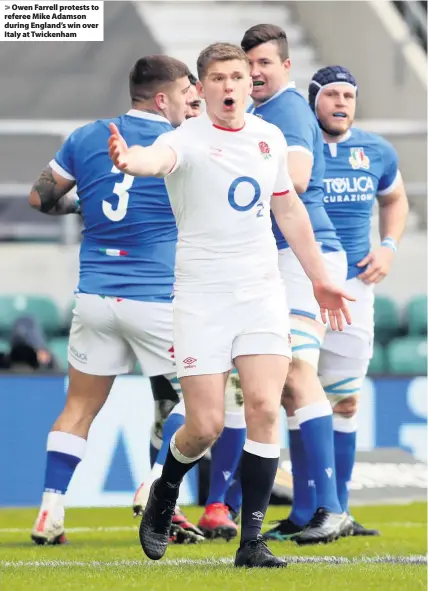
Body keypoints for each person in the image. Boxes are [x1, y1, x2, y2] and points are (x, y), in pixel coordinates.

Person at [109, 42, 353, 568]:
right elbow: (158, 160)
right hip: (201, 298)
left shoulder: (269, 138)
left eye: (236, 77)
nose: (227, 86)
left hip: (262, 293)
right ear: (200, 88)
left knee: (266, 408)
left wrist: (320, 281)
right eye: (216, 78)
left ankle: (252, 542)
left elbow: (289, 214)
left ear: (249, 85)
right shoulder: (185, 139)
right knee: (206, 426)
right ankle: (165, 488)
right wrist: (132, 161)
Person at [28, 55, 205, 545]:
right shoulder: (182, 142)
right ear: (162, 97)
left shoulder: (89, 136)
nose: (192, 102)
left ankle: (49, 509)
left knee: (79, 407)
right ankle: (152, 486)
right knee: (200, 402)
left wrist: (84, 198)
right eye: (185, 93)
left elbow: (40, 198)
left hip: (96, 296)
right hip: (158, 298)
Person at [241, 24, 351, 544]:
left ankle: (332, 506)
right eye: (249, 65)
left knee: (299, 373)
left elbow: (299, 179)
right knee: (284, 385)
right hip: (282, 256)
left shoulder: (286, 110)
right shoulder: (262, 114)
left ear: (286, 67)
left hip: (303, 256)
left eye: (264, 62)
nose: (256, 73)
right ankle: (307, 508)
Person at [134, 74, 245, 542]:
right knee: (214, 402)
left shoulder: (231, 142)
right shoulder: (180, 147)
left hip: (171, 292)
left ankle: (188, 501)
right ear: (170, 103)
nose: (199, 109)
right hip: (186, 294)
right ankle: (172, 489)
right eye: (192, 101)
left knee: (173, 402)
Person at [310, 65, 409, 534]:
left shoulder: (375, 150)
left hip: (354, 288)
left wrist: (388, 247)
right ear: (314, 100)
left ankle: (340, 511)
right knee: (294, 397)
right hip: (300, 283)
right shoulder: (296, 146)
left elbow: (395, 199)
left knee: (345, 402)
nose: (341, 102)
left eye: (348, 94)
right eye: (331, 93)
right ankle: (305, 508)